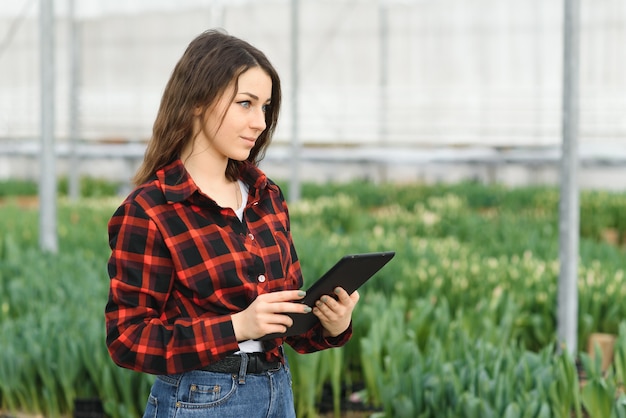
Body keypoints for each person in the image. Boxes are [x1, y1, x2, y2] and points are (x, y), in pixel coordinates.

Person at [105, 29, 360, 418]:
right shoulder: (152, 209)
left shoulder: (265, 196)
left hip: (277, 391)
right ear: (197, 101)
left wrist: (331, 323)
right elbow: (128, 339)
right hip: (201, 400)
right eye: (246, 103)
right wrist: (237, 326)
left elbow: (284, 320)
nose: (259, 122)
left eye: (265, 107)